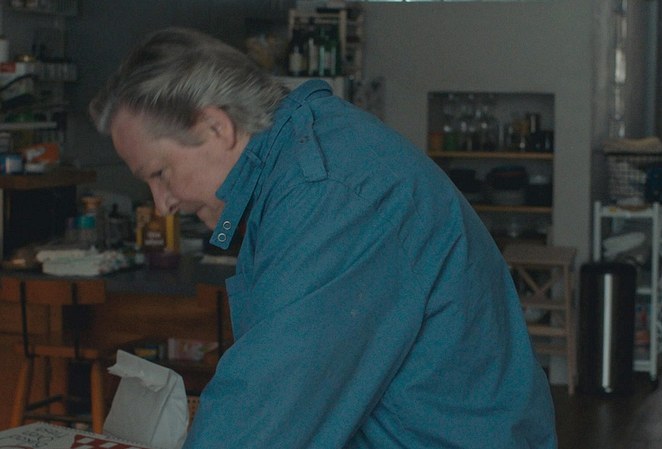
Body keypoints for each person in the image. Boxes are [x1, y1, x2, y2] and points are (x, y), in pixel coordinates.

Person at [89, 27, 557, 449]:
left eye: (160, 173)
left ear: (217, 127)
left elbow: (268, 411)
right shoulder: (300, 158)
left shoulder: (328, 194)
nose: (162, 204)